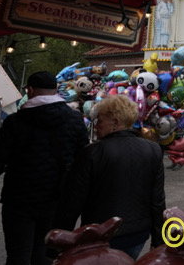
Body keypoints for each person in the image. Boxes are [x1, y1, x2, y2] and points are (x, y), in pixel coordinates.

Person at [55, 95, 166, 259]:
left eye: (100, 120)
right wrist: (159, 240)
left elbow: (72, 203)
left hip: (101, 236)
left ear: (115, 122)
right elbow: (157, 201)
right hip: (138, 235)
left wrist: (59, 241)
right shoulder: (153, 150)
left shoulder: (92, 153)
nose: (96, 125)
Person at [0, 70, 89, 265]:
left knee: (18, 255)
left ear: (30, 90)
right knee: (44, 253)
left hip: (19, 200)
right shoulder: (74, 120)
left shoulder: (15, 122)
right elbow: (83, 160)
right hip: (57, 199)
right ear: (55, 90)